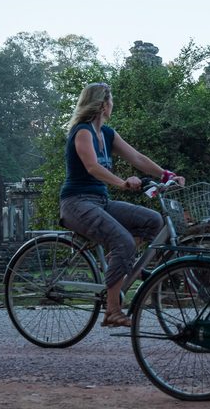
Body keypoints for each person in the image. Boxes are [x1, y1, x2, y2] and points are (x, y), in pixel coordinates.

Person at [58, 82, 184, 328]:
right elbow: (92, 167)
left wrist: (165, 175)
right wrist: (122, 183)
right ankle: (112, 310)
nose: (111, 106)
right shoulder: (82, 132)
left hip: (100, 202)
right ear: (104, 105)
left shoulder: (107, 134)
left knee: (153, 221)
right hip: (76, 203)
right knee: (123, 241)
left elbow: (137, 158)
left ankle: (120, 266)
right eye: (111, 102)